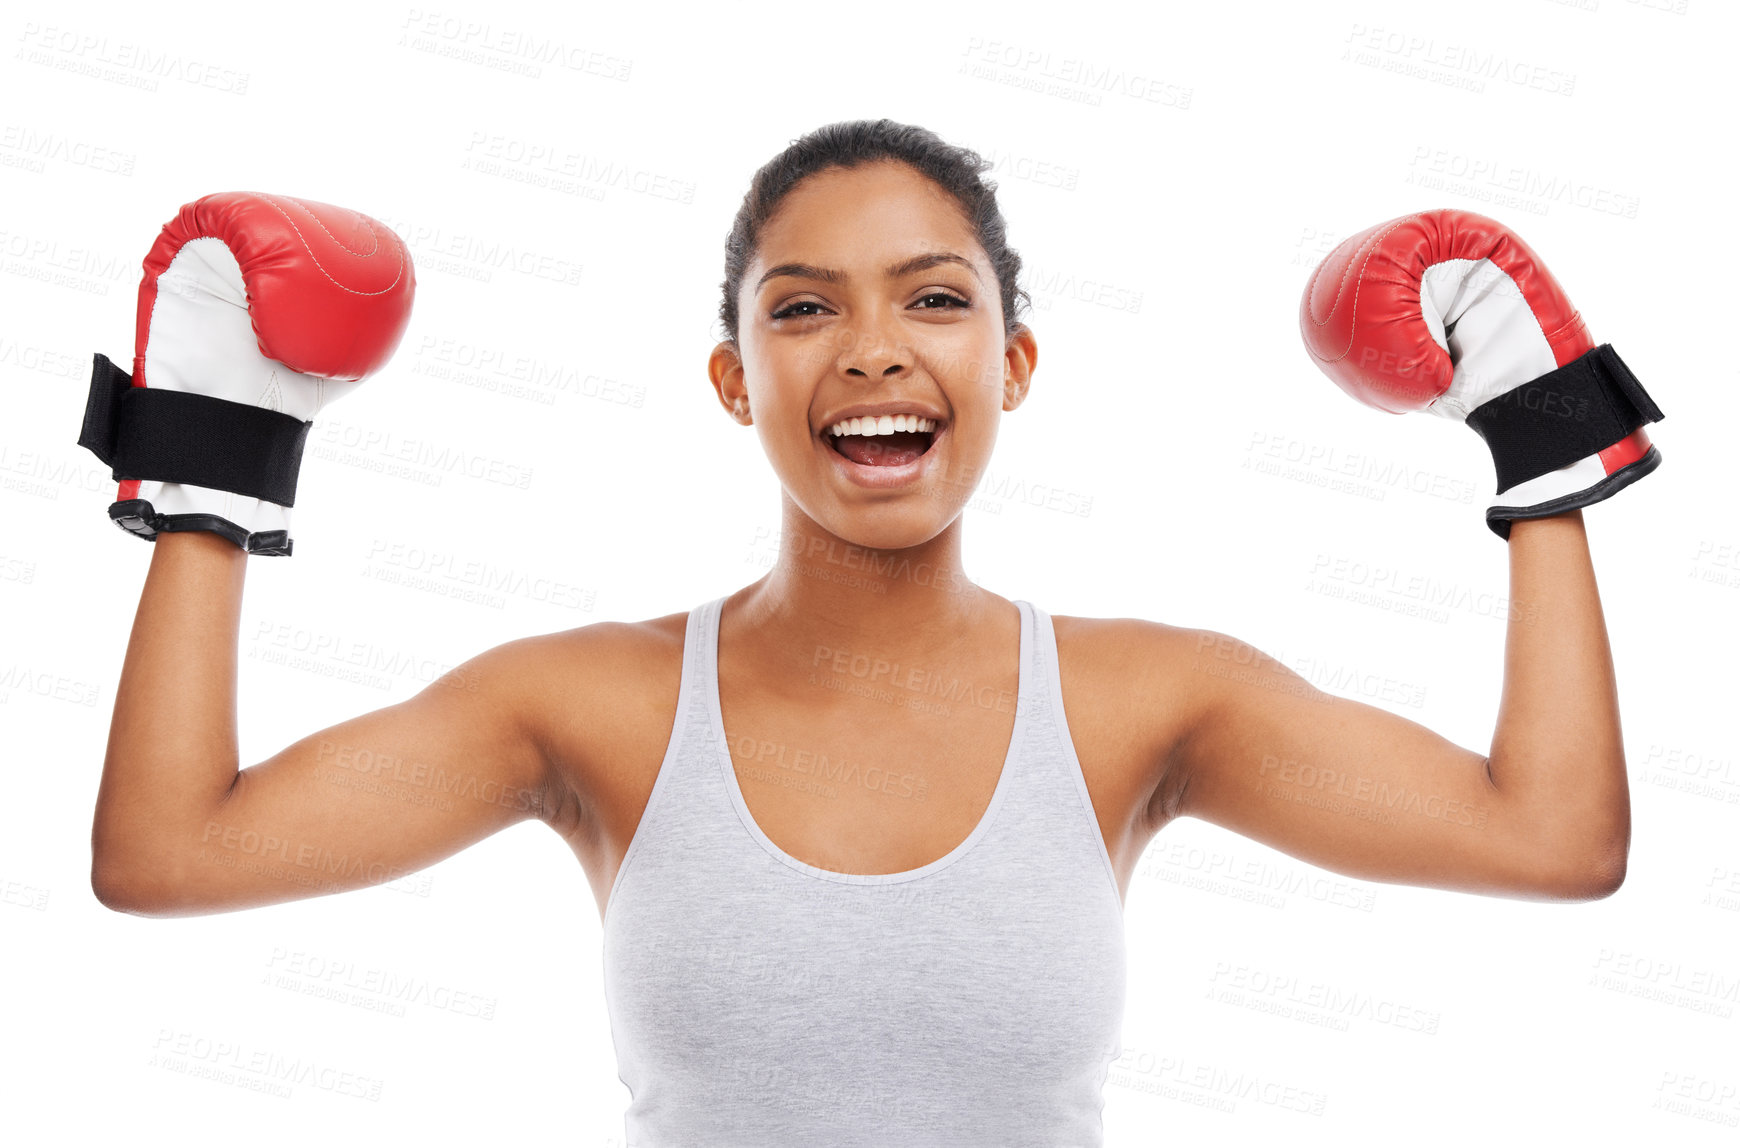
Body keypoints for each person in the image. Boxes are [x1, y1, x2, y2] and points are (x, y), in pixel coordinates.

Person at [85, 119, 1657, 1146]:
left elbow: (1551, 838)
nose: (873, 351)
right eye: (803, 307)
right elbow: (168, 855)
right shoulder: (597, 705)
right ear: (734, 380)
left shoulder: (1139, 701)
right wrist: (214, 472)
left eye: (934, 300)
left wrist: (1544, 442)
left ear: (1015, 362)